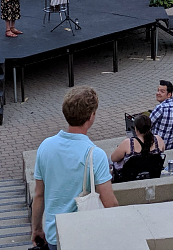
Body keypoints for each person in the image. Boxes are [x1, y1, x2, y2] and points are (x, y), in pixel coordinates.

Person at [32, 87, 118, 250]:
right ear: (91, 116)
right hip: (83, 235)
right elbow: (110, 203)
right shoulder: (95, 155)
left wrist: (36, 229)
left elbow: (39, 194)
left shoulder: (45, 146)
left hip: (54, 236)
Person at [149, 80, 173, 150]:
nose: (158, 93)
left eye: (162, 91)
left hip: (159, 147)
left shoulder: (161, 108)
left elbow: (146, 125)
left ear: (169, 95)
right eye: (158, 90)